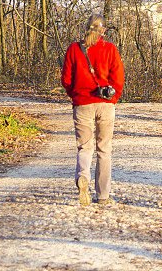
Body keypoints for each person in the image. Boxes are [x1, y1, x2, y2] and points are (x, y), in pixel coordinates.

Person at [61, 13, 124, 206]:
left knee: (85, 147)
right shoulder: (110, 48)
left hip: (82, 104)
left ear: (86, 28)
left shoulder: (74, 48)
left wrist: (77, 95)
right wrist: (113, 98)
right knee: (104, 150)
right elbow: (118, 78)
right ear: (103, 30)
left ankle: (83, 177)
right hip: (105, 105)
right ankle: (103, 195)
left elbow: (66, 79)